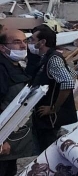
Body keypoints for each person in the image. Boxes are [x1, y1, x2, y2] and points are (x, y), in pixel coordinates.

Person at [0, 29, 35, 175]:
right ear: (2, 47)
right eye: (16, 42)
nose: (23, 46)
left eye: (25, 41)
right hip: (4, 137)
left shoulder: (14, 65)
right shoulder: (1, 69)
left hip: (14, 135)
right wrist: (1, 140)